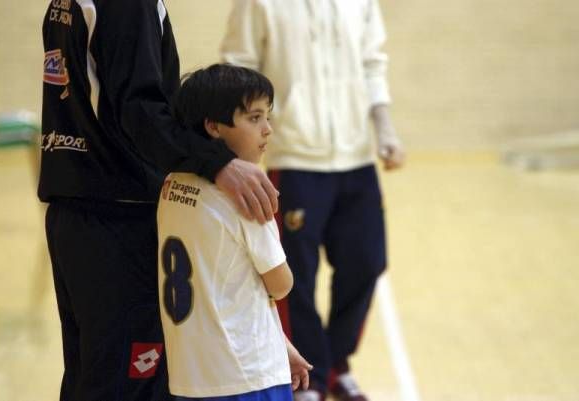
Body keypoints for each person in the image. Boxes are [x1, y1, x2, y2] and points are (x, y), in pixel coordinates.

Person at [40, 1, 279, 400]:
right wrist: (217, 162)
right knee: (129, 383)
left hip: (77, 210)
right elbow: (139, 109)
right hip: (120, 216)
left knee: (91, 377)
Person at [221, 1, 405, 400]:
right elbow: (237, 68)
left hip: (357, 159)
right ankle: (310, 376)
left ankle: (334, 363)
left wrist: (385, 129)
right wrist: (240, 151)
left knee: (367, 263)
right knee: (294, 278)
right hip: (294, 159)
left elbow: (373, 63)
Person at [157, 63, 312, 401]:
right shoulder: (246, 193)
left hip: (190, 377)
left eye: (267, 117)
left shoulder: (171, 185)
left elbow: (220, 289)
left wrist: (280, 343)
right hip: (249, 379)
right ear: (213, 126)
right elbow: (281, 285)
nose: (267, 130)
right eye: (254, 118)